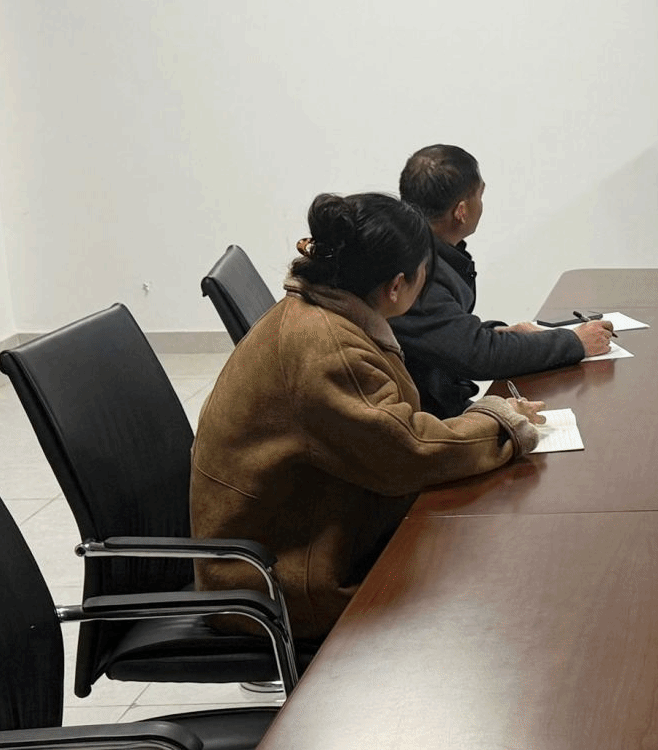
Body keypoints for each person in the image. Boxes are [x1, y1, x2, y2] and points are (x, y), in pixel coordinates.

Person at [190, 192, 546, 640]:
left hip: (304, 538)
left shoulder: (321, 310)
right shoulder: (329, 348)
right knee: (492, 590)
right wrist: (502, 420)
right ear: (396, 287)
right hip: (279, 580)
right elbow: (409, 452)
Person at [390, 144, 612, 419]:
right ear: (461, 211)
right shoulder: (416, 270)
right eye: (480, 195)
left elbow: (443, 332)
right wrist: (575, 342)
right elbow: (478, 356)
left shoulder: (420, 250)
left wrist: (497, 332)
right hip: (430, 421)